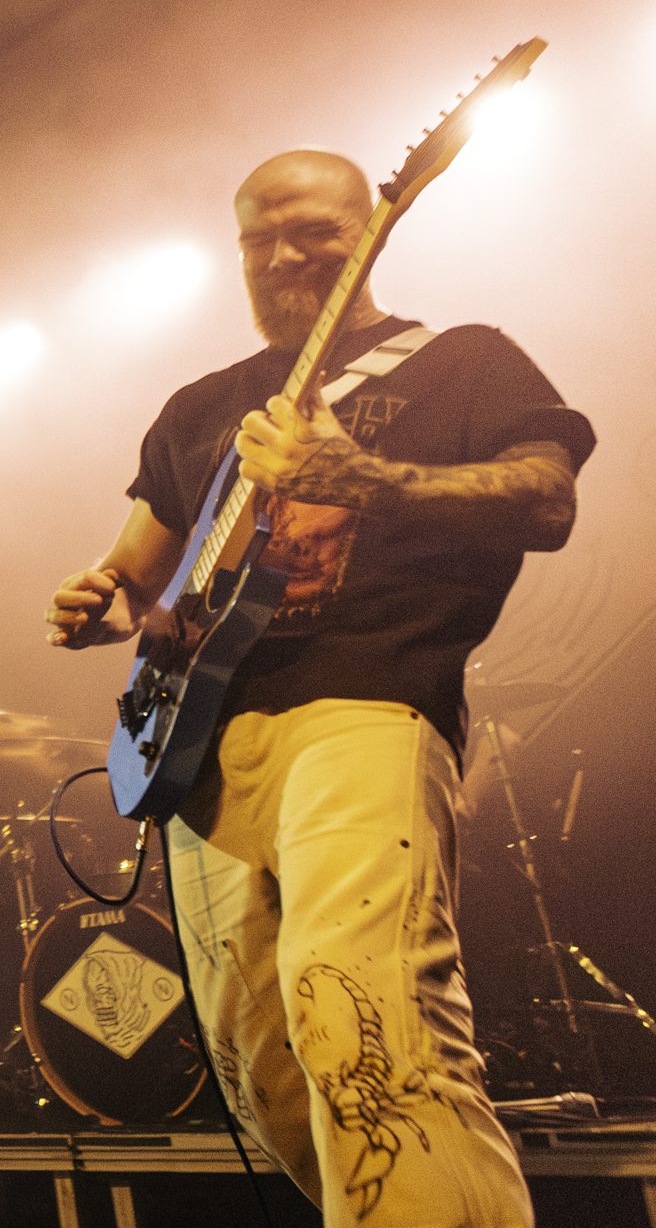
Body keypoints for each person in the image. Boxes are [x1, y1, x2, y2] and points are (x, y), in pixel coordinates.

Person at [44, 149, 594, 1227]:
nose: (286, 254)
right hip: (200, 749)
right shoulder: (200, 408)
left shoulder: (463, 362)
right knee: (263, 1070)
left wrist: (360, 478)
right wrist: (105, 604)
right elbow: (138, 578)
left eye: (315, 231)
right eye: (261, 237)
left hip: (366, 702)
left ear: (373, 231)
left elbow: (547, 502)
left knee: (358, 1013)